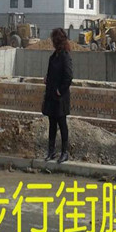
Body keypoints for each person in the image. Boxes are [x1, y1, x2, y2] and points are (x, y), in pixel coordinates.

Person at [42, 28, 73, 163]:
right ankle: (51, 151)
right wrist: (47, 79)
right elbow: (51, 73)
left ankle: (64, 152)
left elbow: (68, 76)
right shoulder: (53, 56)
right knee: (52, 124)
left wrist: (60, 90)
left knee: (62, 124)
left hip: (60, 98)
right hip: (51, 95)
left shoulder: (65, 56)